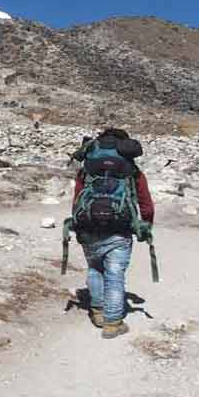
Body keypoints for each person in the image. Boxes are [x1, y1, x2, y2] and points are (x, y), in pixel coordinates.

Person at [71, 128, 154, 339]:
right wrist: (145, 226)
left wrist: (78, 223)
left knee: (95, 269)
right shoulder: (131, 170)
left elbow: (77, 198)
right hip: (120, 229)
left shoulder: (87, 167)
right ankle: (113, 323)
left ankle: (98, 312)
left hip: (89, 226)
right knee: (114, 275)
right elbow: (146, 203)